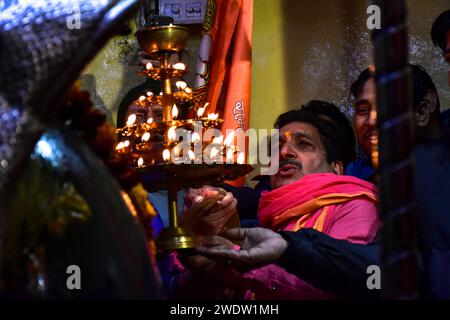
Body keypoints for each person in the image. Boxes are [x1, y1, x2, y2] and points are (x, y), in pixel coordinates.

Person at [172, 101, 380, 299]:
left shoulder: (355, 206)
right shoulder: (265, 220)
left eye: (304, 144)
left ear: (336, 168)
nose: (283, 152)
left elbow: (342, 285)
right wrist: (199, 251)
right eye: (276, 147)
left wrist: (233, 263)